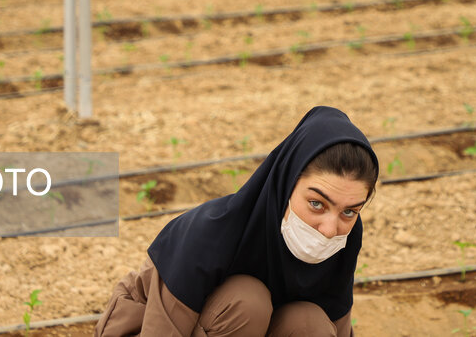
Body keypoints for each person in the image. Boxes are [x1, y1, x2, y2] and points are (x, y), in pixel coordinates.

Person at [94, 105, 379, 337]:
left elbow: (335, 328)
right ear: (285, 184)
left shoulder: (344, 239)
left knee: (310, 324)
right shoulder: (209, 232)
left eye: (349, 212)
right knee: (247, 302)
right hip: (147, 327)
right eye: (316, 204)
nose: (330, 230)